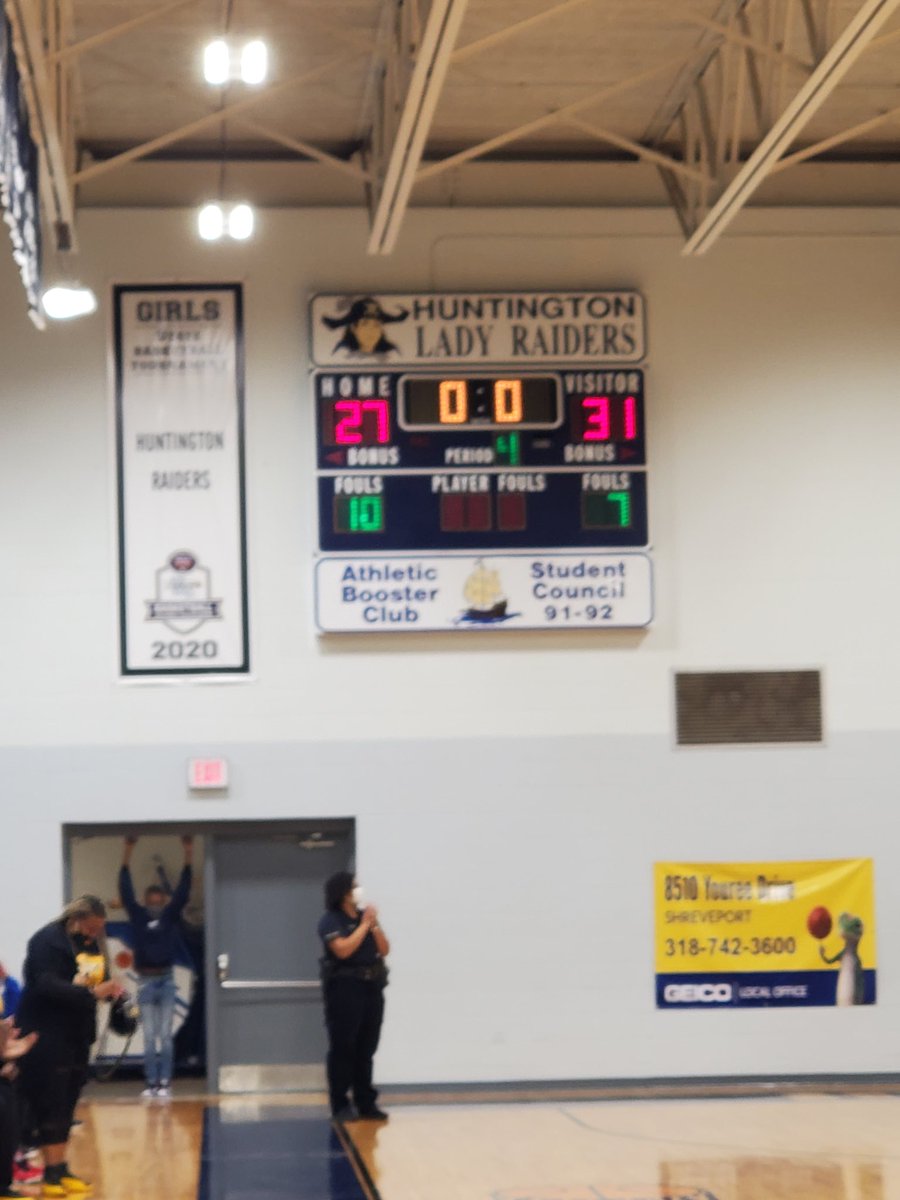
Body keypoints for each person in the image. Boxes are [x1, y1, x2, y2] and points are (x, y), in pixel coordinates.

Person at [16, 895, 123, 1198]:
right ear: (76, 919)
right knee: (50, 1103)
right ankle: (49, 1173)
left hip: (77, 1035)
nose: (93, 935)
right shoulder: (47, 941)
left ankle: (60, 1168)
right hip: (47, 1035)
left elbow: (93, 981)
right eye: (90, 928)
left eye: (97, 930)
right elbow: (45, 983)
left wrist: (112, 992)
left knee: (67, 1104)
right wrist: (90, 992)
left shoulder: (90, 946)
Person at [119, 835, 193, 1099]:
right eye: (150, 897)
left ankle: (165, 1082)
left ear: (162, 899)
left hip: (166, 979)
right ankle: (152, 1083)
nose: (154, 900)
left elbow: (184, 891)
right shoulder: (138, 915)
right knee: (150, 1036)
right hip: (147, 981)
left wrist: (188, 853)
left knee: (165, 1035)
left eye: (158, 897)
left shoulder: (170, 915)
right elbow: (125, 890)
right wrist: (127, 851)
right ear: (145, 899)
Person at [318, 872, 390, 1123]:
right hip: (345, 989)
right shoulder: (331, 921)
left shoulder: (365, 919)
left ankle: (366, 1102)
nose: (359, 890)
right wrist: (363, 926)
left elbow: (384, 949)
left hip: (372, 988)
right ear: (343, 893)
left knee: (366, 1047)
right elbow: (344, 950)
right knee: (343, 1047)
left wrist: (374, 924)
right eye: (354, 887)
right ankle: (340, 1104)